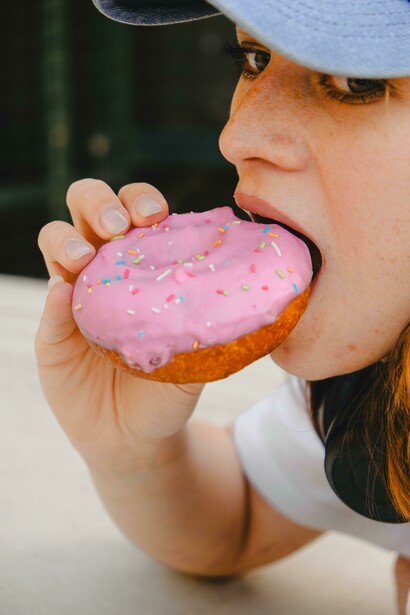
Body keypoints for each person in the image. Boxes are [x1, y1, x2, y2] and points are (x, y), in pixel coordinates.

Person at [35, 1, 410, 613]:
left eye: (355, 82)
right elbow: (235, 519)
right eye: (254, 57)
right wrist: (127, 450)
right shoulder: (367, 386)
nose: (236, 137)